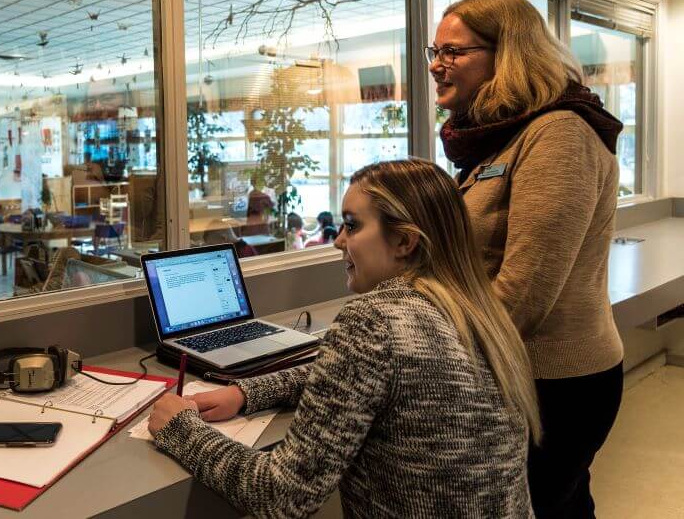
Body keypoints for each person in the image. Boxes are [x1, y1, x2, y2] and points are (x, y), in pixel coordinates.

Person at [149, 159, 540, 517]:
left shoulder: (373, 322)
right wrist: (247, 393)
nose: (338, 241)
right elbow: (362, 377)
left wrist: (179, 428)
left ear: (405, 241)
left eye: (352, 226)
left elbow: (282, 495)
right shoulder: (479, 312)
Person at [431, 0, 624, 518]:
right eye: (435, 50)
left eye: (453, 53)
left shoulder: (558, 132)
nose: (436, 65)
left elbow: (523, 294)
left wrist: (424, 349)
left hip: (554, 385)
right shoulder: (501, 139)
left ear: (506, 55)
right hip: (519, 373)